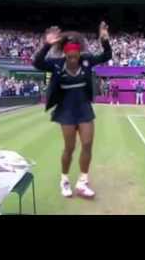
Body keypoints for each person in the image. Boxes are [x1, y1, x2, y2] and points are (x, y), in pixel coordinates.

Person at [33, 21, 111, 199]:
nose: (73, 59)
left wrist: (104, 39)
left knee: (87, 144)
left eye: (76, 56)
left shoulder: (86, 61)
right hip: (66, 110)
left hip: (84, 108)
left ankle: (83, 182)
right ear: (66, 54)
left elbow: (107, 55)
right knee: (69, 148)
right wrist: (47, 44)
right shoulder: (57, 64)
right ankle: (64, 180)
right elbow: (37, 63)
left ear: (79, 53)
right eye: (70, 56)